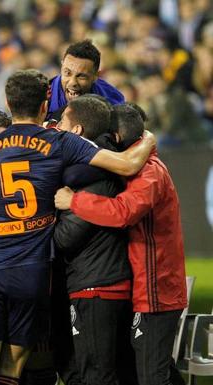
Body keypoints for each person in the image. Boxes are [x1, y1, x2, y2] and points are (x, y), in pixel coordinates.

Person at [0, 69, 155, 385]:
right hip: (32, 272)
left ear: (9, 104)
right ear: (45, 104)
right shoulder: (61, 141)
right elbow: (128, 165)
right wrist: (148, 137)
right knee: (11, 373)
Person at [54, 103, 188, 385]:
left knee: (152, 377)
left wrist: (73, 201)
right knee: (148, 372)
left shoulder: (149, 173)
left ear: (115, 139)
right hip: (146, 287)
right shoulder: (138, 168)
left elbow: (124, 212)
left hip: (156, 289)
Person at [53, 96, 136, 385]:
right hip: (103, 283)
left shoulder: (91, 176)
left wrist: (46, 217)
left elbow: (65, 238)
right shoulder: (103, 168)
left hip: (96, 287)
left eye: (61, 122)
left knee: (96, 375)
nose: (55, 128)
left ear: (75, 131)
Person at [47, 39, 124, 121]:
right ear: (61, 67)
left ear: (96, 76)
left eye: (81, 76)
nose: (72, 82)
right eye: (67, 73)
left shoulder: (113, 100)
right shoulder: (41, 98)